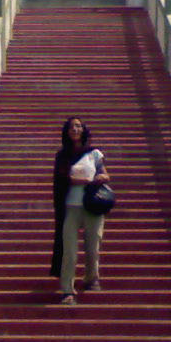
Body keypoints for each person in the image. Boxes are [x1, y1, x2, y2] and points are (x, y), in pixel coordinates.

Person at [49, 116, 110, 303]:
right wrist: (81, 180)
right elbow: (62, 178)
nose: (75, 129)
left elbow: (106, 173)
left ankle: (91, 279)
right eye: (71, 127)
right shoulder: (63, 155)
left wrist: (102, 178)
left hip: (92, 204)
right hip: (71, 207)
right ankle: (68, 289)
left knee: (93, 247)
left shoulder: (94, 153)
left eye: (77, 126)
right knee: (70, 250)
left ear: (83, 129)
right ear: (67, 132)